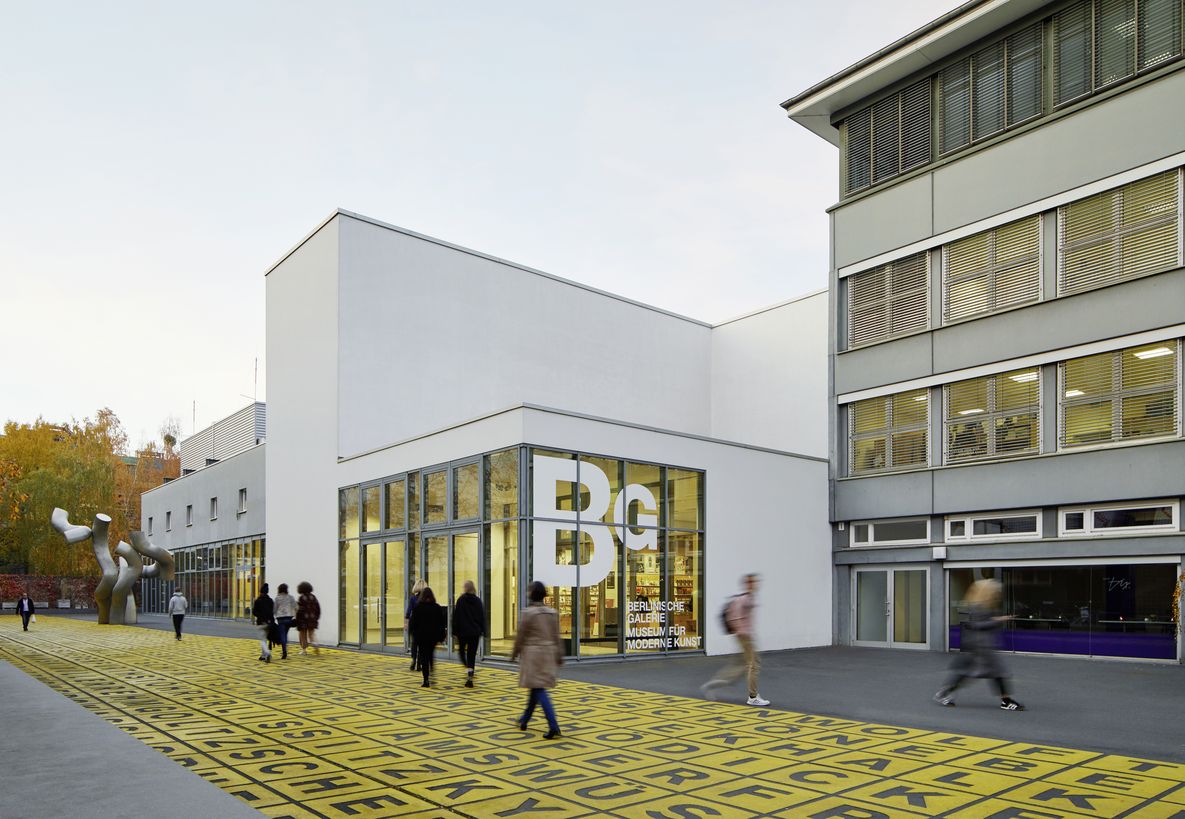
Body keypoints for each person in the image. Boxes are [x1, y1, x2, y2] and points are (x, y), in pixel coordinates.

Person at [934, 579, 1025, 711]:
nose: (998, 594)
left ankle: (944, 693)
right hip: (980, 646)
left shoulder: (986, 606)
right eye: (995, 591)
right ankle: (1006, 701)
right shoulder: (979, 606)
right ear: (987, 592)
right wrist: (997, 620)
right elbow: (976, 625)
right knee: (994, 672)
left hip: (982, 645)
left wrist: (995, 620)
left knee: (972, 672)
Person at [701, 573, 769, 706]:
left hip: (745, 635)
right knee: (754, 665)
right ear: (748, 584)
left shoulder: (749, 598)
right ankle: (753, 696)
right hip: (745, 636)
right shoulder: (744, 599)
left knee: (740, 666)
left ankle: (713, 684)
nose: (756, 585)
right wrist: (741, 632)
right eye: (753, 582)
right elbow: (735, 618)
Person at [511, 580, 563, 738]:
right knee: (536, 688)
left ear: (532, 594)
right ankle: (524, 719)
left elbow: (521, 636)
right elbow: (556, 636)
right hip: (548, 654)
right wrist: (559, 653)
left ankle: (553, 725)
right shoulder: (552, 613)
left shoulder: (528, 613)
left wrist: (514, 653)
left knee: (539, 689)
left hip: (533, 655)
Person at [408, 587, 446, 688]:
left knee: (424, 657)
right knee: (430, 655)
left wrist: (414, 635)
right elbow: (442, 624)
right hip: (433, 637)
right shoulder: (437, 607)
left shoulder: (418, 608)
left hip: (421, 637)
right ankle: (432, 671)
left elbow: (412, 624)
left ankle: (426, 679)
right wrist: (441, 636)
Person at [452, 580, 486, 688]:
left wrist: (454, 631)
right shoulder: (478, 601)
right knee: (471, 654)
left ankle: (468, 668)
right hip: (475, 632)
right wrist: (483, 630)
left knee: (462, 652)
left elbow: (456, 617)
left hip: (463, 632)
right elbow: (482, 617)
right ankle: (470, 676)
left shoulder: (461, 600)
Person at [405, 579, 425, 672]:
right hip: (423, 623)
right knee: (422, 644)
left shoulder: (413, 598)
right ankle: (419, 664)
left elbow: (408, 612)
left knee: (414, 642)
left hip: (414, 622)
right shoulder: (426, 598)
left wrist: (406, 622)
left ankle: (413, 659)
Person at [295, 581, 320, 655]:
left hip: (303, 620)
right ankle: (315, 643)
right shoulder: (313, 597)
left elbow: (299, 610)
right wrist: (316, 617)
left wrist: (297, 619)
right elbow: (318, 608)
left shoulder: (301, 598)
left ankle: (304, 650)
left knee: (302, 635)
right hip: (312, 619)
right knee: (311, 634)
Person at [252, 584, 275, 663]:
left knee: (262, 640)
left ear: (260, 591)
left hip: (261, 622)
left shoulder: (258, 600)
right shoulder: (270, 600)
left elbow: (254, 612)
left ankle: (267, 653)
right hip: (269, 623)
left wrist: (260, 615)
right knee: (265, 639)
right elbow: (272, 612)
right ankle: (263, 655)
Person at [274, 583, 297, 659]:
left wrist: (273, 616)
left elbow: (274, 609)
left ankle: (284, 651)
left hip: (280, 618)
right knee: (285, 634)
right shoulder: (290, 597)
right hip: (289, 618)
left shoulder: (277, 598)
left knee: (282, 634)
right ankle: (284, 647)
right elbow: (296, 607)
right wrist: (296, 616)